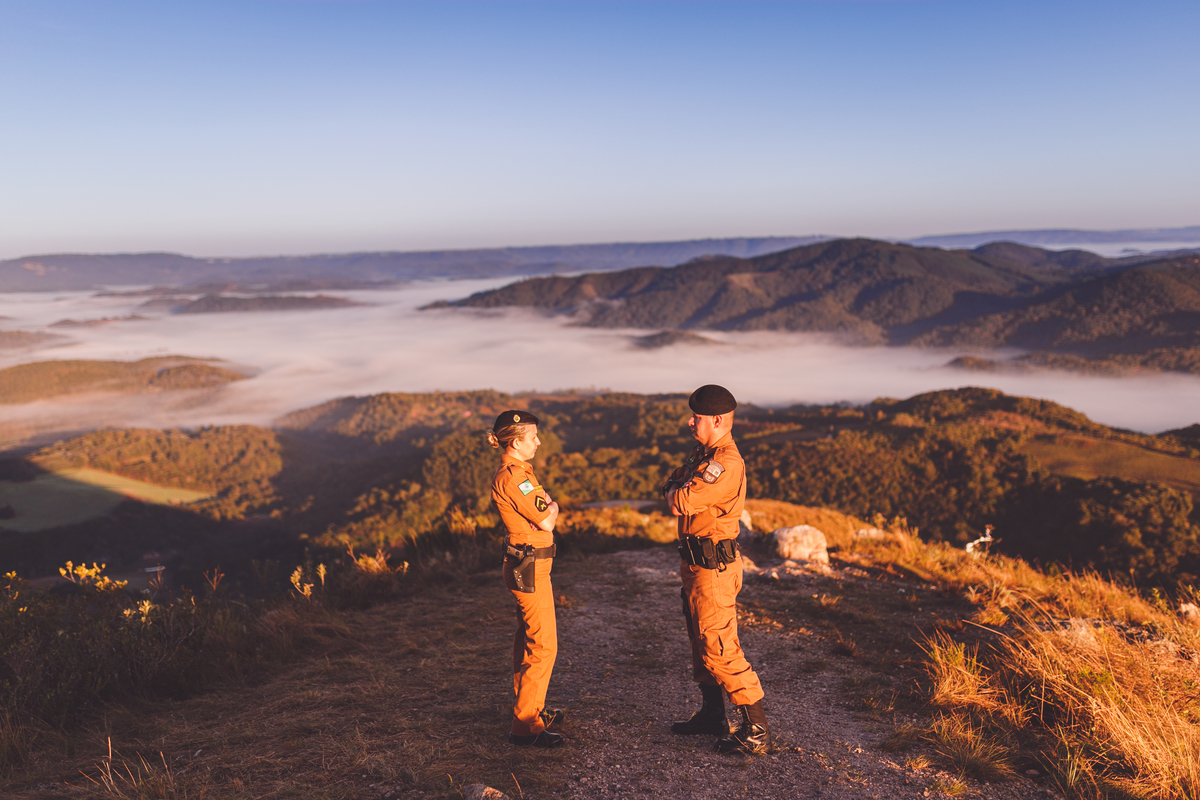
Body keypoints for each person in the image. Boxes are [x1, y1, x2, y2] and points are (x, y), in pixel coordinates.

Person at [662, 384, 771, 755]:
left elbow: (679, 499)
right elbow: (674, 481)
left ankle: (756, 729)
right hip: (695, 564)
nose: (690, 422)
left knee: (719, 646)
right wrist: (675, 486)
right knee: (700, 642)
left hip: (713, 568)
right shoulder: (704, 454)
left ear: (719, 420)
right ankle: (713, 715)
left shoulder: (725, 463)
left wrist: (674, 489)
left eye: (697, 417)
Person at [488, 410, 565, 748]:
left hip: (529, 563)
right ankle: (525, 726)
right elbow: (546, 519)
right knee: (543, 643)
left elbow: (541, 514)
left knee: (529, 638)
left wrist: (546, 509)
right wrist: (553, 507)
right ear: (516, 442)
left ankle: (529, 707)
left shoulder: (520, 472)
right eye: (533, 437)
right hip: (529, 565)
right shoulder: (516, 477)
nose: (538, 442)